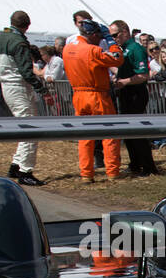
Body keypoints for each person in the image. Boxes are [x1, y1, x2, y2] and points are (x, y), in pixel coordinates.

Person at [0, 11, 48, 186]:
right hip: (18, 86)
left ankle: (16, 165)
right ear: (27, 25)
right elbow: (25, 71)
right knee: (31, 129)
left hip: (7, 85)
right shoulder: (19, 42)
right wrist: (42, 89)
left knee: (24, 127)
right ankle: (25, 170)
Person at [63, 19, 123, 182]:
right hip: (97, 95)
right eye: (99, 36)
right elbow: (117, 59)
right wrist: (110, 41)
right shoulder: (93, 50)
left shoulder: (67, 49)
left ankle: (86, 173)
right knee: (109, 133)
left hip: (78, 95)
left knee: (85, 136)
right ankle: (112, 171)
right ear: (94, 34)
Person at [109, 18, 157, 176]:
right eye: (112, 36)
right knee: (127, 131)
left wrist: (124, 82)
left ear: (124, 32)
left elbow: (143, 75)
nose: (114, 38)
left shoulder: (135, 48)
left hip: (136, 92)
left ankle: (148, 166)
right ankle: (135, 163)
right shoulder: (122, 49)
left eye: (116, 35)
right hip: (126, 92)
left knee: (137, 131)